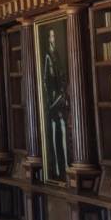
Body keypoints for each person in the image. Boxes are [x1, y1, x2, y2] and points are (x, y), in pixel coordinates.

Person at [42, 27, 68, 180]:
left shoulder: (56, 53)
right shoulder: (47, 55)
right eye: (51, 36)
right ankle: (57, 168)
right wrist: (50, 97)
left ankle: (65, 167)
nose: (53, 38)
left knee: (63, 128)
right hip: (53, 99)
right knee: (54, 132)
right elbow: (46, 79)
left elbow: (61, 73)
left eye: (54, 35)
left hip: (60, 95)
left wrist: (63, 89)